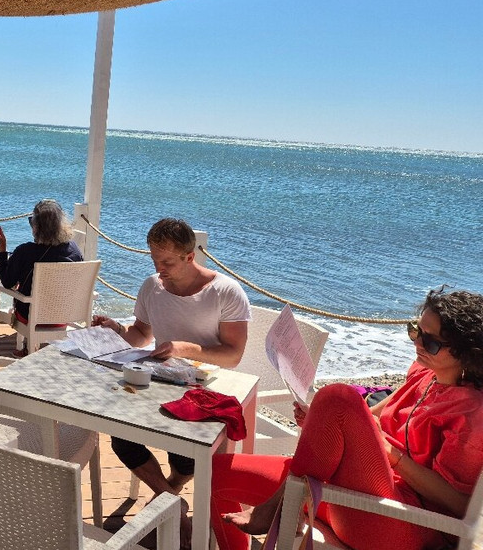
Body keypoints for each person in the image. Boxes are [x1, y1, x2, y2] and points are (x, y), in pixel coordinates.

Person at [214, 287, 483, 550]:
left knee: (339, 397)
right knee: (217, 473)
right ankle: (279, 509)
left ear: (467, 353)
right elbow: (369, 418)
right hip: (352, 490)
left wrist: (392, 455)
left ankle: (281, 505)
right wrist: (320, 424)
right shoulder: (424, 373)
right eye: (416, 331)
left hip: (403, 522)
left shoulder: (472, 414)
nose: (417, 343)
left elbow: (460, 504)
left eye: (431, 342)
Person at [92, 217, 250, 502]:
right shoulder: (152, 286)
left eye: (167, 262)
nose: (158, 269)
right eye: (154, 260)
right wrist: (116, 330)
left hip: (206, 388)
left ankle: (167, 498)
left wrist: (184, 349)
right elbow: (141, 334)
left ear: (189, 257)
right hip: (161, 381)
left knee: (184, 453)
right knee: (120, 434)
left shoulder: (225, 291)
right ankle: (172, 503)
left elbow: (233, 356)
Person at [0, 198, 82, 326]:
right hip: (63, 317)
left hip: (30, 317)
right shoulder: (74, 250)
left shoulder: (25, 251)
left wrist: (2, 248)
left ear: (36, 227)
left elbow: (7, 282)